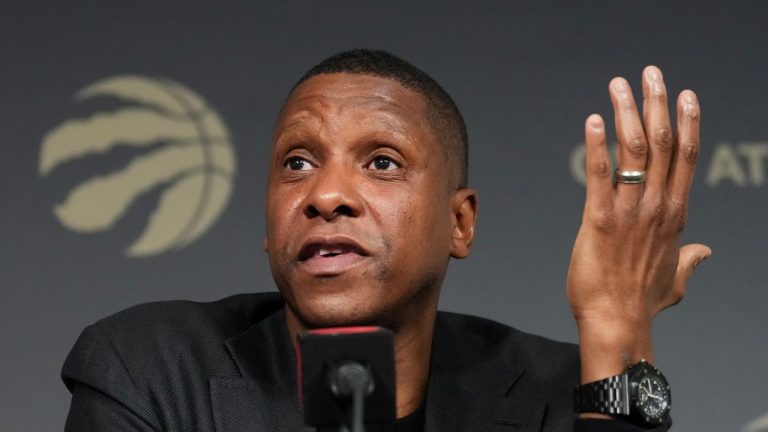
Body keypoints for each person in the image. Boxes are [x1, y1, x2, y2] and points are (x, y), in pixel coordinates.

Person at [62, 50, 710, 431]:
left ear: (460, 223)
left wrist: (615, 331)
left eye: (381, 162)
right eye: (297, 163)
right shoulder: (150, 369)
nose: (325, 195)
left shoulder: (557, 391)